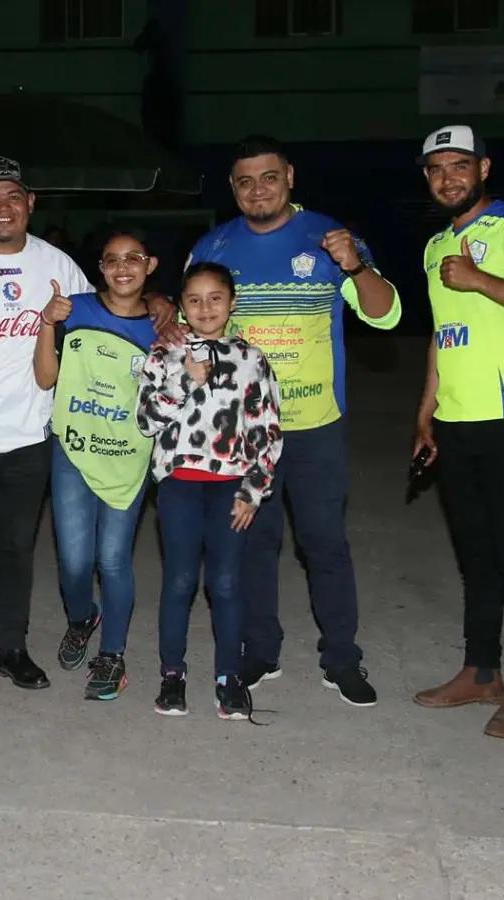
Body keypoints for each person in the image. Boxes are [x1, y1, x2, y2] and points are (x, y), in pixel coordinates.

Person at [0, 156, 174, 700]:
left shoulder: (58, 266)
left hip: (33, 432)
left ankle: (12, 649)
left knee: (17, 548)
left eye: (14, 196)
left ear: (31, 204)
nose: (3, 207)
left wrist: (158, 301)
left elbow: (111, 304)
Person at [187, 134, 401, 708]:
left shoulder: (330, 238)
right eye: (245, 181)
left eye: (269, 177)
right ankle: (261, 649)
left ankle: (342, 658)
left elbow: (385, 316)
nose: (258, 190)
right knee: (253, 543)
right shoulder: (214, 246)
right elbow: (193, 329)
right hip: (243, 431)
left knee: (324, 543)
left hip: (315, 424)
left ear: (290, 177)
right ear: (233, 188)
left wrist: (355, 267)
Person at [410, 125, 504, 739]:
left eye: (459, 166)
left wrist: (484, 281)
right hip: (456, 423)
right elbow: (443, 333)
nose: (448, 179)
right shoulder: (436, 246)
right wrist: (426, 411)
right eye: (436, 169)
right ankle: (479, 669)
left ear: (484, 168)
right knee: (475, 555)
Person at [138, 263, 283, 720]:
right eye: (195, 300)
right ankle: (172, 675)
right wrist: (185, 379)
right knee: (179, 581)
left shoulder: (252, 359)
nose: (205, 308)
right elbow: (146, 421)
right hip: (180, 486)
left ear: (232, 302)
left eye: (215, 298)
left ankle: (229, 678)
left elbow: (267, 430)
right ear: (182, 306)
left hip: (230, 490)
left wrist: (253, 490)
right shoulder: (163, 355)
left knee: (225, 583)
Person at [32, 228, 159, 701]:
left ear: (151, 265)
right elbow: (46, 377)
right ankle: (82, 617)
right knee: (73, 561)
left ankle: (112, 656)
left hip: (129, 458)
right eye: (111, 259)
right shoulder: (75, 310)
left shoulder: (165, 327)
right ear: (100, 268)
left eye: (134, 258)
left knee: (112, 559)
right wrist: (47, 324)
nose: (122, 267)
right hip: (73, 452)